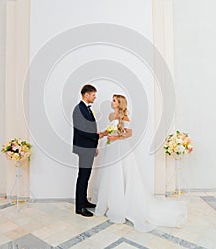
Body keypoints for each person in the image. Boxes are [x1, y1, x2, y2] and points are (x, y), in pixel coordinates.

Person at [93, 94, 187, 231]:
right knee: (111, 175)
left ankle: (125, 204)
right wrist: (102, 134)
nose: (111, 102)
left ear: (119, 103)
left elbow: (129, 134)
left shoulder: (125, 117)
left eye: (114, 101)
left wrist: (116, 137)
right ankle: (113, 203)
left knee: (124, 174)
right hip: (111, 148)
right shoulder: (110, 116)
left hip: (121, 148)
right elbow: (109, 130)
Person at [72, 84, 104, 217]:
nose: (95, 97)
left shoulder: (86, 109)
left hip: (88, 147)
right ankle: (80, 207)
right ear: (86, 95)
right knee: (83, 176)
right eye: (93, 95)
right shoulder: (79, 109)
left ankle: (84, 201)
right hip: (84, 148)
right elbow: (82, 131)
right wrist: (97, 136)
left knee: (86, 176)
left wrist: (94, 145)